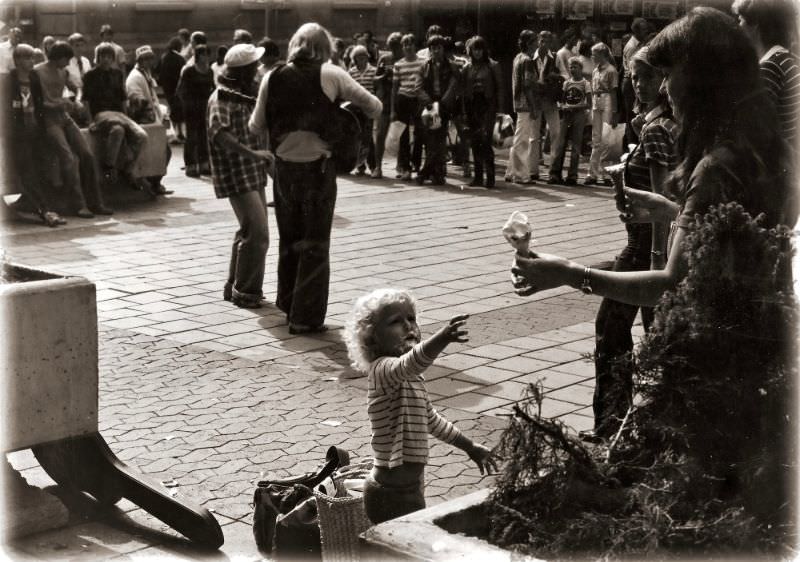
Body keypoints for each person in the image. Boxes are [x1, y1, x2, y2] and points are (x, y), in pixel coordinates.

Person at [511, 8, 790, 323]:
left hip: (717, 340)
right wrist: (673, 211)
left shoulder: (717, 168)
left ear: (699, 80)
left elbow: (670, 284)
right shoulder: (764, 148)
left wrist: (569, 273)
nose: (663, 89)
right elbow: (735, 233)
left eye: (668, 74)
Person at [249, 22, 381, 333]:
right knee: (315, 244)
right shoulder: (331, 73)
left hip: (283, 170)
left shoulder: (272, 76)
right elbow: (374, 106)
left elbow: (256, 126)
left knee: (290, 239)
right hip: (318, 170)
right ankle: (305, 318)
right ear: (325, 48)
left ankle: (288, 304)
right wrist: (342, 116)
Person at [580, 46, 679, 443]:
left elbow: (661, 202)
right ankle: (645, 425)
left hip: (644, 251)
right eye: (635, 77)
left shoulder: (656, 130)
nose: (639, 84)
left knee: (610, 330)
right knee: (657, 341)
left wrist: (657, 264)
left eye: (648, 77)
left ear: (666, 81)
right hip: (649, 249)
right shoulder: (658, 125)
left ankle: (610, 428)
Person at [343, 288, 497, 524]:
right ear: (372, 338)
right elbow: (411, 363)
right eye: (396, 321)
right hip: (388, 492)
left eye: (411, 318)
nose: (408, 326)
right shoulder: (382, 370)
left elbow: (431, 420)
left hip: (411, 488)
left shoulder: (411, 378)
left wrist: (469, 446)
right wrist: (442, 337)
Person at [207, 43, 273, 309]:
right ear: (242, 71)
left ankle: (233, 285)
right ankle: (245, 291)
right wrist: (254, 154)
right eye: (254, 67)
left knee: (249, 230)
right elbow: (219, 134)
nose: (258, 71)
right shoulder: (221, 97)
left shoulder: (239, 94)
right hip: (237, 172)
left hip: (251, 172)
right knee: (258, 233)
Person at [733, 0, 799, 223]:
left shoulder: (768, 66)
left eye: (741, 19)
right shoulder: (789, 59)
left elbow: (757, 133)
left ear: (756, 25)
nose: (738, 26)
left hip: (774, 178)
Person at [36, 41, 110, 218]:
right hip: (49, 121)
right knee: (68, 158)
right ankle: (78, 204)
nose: (68, 63)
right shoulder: (37, 72)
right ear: (58, 57)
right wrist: (62, 102)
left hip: (64, 118)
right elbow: (39, 103)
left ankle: (96, 202)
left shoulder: (63, 71)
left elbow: (76, 87)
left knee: (87, 154)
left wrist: (75, 100)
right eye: (66, 59)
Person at [2, 44, 67, 226]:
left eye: (32, 58)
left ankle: (42, 207)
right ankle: (45, 212)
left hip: (35, 133)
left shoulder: (34, 79)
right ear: (18, 60)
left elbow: (38, 106)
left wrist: (41, 129)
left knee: (42, 169)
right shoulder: (9, 80)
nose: (32, 61)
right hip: (18, 136)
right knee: (28, 172)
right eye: (28, 58)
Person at [83, 42, 150, 191]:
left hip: (118, 114)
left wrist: (127, 116)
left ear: (113, 58)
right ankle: (109, 167)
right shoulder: (90, 75)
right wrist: (90, 120)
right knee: (118, 130)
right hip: (101, 113)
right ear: (97, 57)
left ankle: (128, 168)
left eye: (108, 56)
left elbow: (122, 99)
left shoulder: (117, 74)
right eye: (102, 56)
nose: (105, 59)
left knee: (141, 135)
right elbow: (86, 100)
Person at [126, 45, 173, 196]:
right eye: (145, 59)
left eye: (150, 58)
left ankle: (156, 182)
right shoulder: (135, 77)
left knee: (163, 151)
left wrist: (163, 113)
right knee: (160, 151)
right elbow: (135, 98)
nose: (149, 61)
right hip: (145, 121)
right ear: (139, 60)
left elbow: (153, 98)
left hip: (154, 119)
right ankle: (152, 183)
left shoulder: (146, 74)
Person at [461, 35, 504, 188]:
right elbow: (464, 92)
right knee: (475, 142)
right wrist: (465, 112)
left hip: (488, 106)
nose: (477, 52)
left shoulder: (493, 66)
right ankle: (478, 177)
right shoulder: (467, 67)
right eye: (474, 49)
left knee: (486, 141)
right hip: (473, 106)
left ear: (484, 50)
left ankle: (491, 178)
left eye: (480, 49)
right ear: (470, 50)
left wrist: (500, 111)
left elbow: (499, 89)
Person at [417, 35, 458, 185]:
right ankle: (431, 172)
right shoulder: (424, 66)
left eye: (438, 48)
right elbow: (418, 87)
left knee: (440, 140)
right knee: (430, 141)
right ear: (430, 50)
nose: (436, 51)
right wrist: (429, 102)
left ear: (443, 49)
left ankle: (430, 173)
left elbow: (454, 85)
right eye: (433, 48)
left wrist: (442, 103)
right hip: (429, 106)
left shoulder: (452, 66)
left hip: (444, 105)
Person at [548, 56, 591, 186]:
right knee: (560, 144)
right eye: (571, 67)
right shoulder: (567, 83)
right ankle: (555, 173)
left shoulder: (585, 83)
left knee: (576, 146)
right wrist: (562, 106)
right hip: (566, 115)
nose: (573, 69)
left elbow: (589, 103)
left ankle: (572, 175)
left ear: (581, 69)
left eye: (575, 67)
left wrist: (575, 107)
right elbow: (562, 100)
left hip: (579, 115)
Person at [391, 33, 424, 181]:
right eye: (405, 44)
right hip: (402, 99)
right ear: (402, 48)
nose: (408, 47)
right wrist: (393, 109)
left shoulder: (423, 62)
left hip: (418, 100)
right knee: (403, 135)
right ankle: (405, 168)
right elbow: (394, 88)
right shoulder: (398, 65)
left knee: (419, 133)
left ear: (415, 46)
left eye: (410, 44)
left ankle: (416, 164)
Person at [177, 43, 214, 177]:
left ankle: (204, 164)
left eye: (207, 53)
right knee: (191, 137)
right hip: (191, 108)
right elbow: (180, 90)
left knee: (204, 136)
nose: (207, 56)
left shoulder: (210, 71)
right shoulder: (189, 71)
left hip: (204, 107)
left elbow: (212, 88)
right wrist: (186, 104)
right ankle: (191, 165)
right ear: (198, 56)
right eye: (204, 54)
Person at [584, 42, 619, 186]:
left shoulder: (611, 70)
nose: (592, 56)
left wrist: (615, 111)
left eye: (594, 54)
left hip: (607, 100)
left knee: (606, 138)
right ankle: (592, 173)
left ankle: (607, 174)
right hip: (596, 101)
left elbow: (613, 91)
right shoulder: (595, 70)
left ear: (602, 54)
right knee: (596, 138)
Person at [530, 30, 562, 183]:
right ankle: (532, 170)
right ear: (537, 40)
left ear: (551, 42)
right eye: (542, 39)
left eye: (548, 40)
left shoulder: (555, 57)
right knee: (533, 136)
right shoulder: (530, 57)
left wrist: (556, 77)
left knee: (556, 133)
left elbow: (565, 75)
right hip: (535, 99)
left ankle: (554, 171)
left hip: (550, 99)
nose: (544, 43)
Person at [505, 30, 536, 184]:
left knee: (519, 138)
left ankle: (511, 171)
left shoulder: (518, 58)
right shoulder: (528, 60)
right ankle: (521, 174)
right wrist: (533, 106)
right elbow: (528, 85)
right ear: (530, 43)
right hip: (525, 103)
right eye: (535, 41)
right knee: (523, 140)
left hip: (518, 102)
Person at [372, 31, 403, 179]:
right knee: (380, 134)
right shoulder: (384, 58)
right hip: (385, 101)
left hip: (400, 100)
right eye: (393, 46)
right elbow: (375, 80)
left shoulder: (405, 59)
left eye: (397, 46)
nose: (395, 49)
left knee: (401, 135)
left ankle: (401, 165)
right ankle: (378, 166)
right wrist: (385, 75)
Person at [621, 18, 652, 145]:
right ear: (636, 31)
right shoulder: (632, 47)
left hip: (634, 80)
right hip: (631, 81)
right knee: (632, 115)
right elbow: (634, 68)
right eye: (644, 30)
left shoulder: (639, 44)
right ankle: (632, 144)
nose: (646, 32)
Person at [348, 44, 377, 176]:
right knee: (358, 137)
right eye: (358, 57)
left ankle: (373, 165)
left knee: (368, 137)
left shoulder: (373, 71)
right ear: (354, 59)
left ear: (367, 57)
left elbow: (376, 89)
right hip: (356, 109)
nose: (361, 59)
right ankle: (360, 165)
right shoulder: (351, 72)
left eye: (363, 56)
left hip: (368, 108)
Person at [159, 36, 187, 144]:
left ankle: (176, 133)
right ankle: (177, 133)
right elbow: (183, 74)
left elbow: (160, 74)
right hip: (177, 88)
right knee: (178, 111)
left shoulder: (164, 57)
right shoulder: (180, 58)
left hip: (168, 88)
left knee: (174, 110)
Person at [64, 33, 91, 126]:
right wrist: (77, 99)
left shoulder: (86, 61)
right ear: (70, 47)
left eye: (82, 45)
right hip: (72, 96)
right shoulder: (66, 63)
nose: (79, 48)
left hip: (86, 95)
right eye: (76, 46)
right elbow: (67, 85)